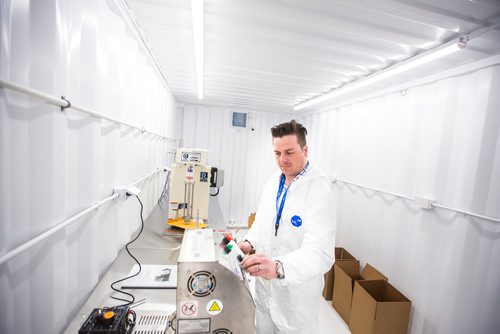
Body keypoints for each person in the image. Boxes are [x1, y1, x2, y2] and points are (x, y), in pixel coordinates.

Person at [239, 119, 336, 333]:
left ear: (305, 149)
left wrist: (279, 268)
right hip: (266, 290)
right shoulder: (274, 181)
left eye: (289, 152)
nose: (282, 160)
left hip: (296, 298)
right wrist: (248, 242)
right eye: (277, 153)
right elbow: (263, 222)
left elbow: (321, 253)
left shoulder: (318, 190)